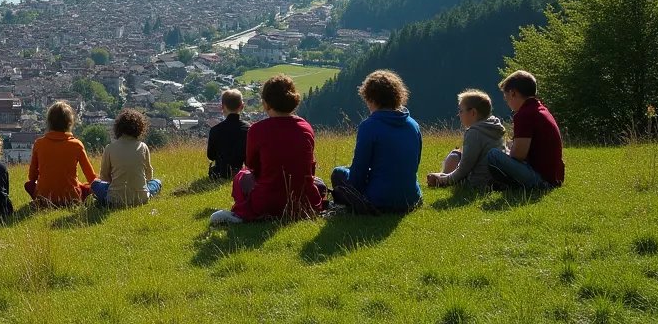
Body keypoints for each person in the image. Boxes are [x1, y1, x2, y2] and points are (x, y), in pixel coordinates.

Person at [211, 74, 325, 225]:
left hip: (267, 203)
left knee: (240, 177)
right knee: (319, 183)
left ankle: (242, 213)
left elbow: (252, 166)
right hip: (303, 202)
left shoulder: (258, 129)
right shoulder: (305, 127)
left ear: (266, 103)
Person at [331, 70, 423, 214]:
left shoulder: (369, 126)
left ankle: (347, 208)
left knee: (339, 173)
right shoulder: (413, 125)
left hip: (378, 201)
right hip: (411, 198)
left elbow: (358, 174)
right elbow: (414, 164)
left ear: (371, 98)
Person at [488, 70, 564, 189]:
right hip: (554, 176)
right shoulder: (540, 109)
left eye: (506, 98)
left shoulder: (524, 114)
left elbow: (518, 155)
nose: (507, 103)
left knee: (493, 155)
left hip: (541, 179)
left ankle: (512, 186)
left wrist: (509, 149)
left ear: (513, 93)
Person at [426, 89, 506, 190]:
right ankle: (442, 177)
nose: (458, 115)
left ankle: (441, 182)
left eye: (461, 111)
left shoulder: (474, 133)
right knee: (456, 155)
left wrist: (443, 180)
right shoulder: (495, 127)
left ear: (473, 112)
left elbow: (464, 169)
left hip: (477, 182)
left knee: (454, 156)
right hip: (495, 180)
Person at [25, 101, 98, 207]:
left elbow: (32, 177)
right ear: (69, 122)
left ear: (49, 122)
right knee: (86, 187)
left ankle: (40, 202)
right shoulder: (76, 144)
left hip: (44, 197)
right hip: (71, 198)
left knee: (29, 185)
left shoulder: (39, 143)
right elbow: (91, 177)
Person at [91, 109, 162, 208]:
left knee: (95, 184)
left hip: (115, 200)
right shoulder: (143, 147)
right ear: (140, 128)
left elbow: (104, 176)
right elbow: (149, 175)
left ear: (118, 128)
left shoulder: (110, 148)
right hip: (141, 198)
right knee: (157, 182)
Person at [207, 88, 250, 179]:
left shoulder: (215, 130)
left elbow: (210, 155)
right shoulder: (248, 129)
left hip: (219, 173)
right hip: (240, 173)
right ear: (242, 106)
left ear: (222, 107)